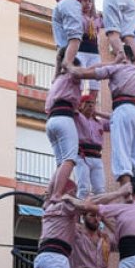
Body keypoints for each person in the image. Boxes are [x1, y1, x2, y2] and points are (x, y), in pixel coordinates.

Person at [72, 45, 135, 191]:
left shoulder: (117, 68)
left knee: (121, 153)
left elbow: (89, 71)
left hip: (123, 108)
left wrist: (112, 63)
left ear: (123, 57)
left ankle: (126, 193)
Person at [45, 49, 83, 201]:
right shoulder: (71, 77)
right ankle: (57, 194)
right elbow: (79, 73)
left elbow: (57, 73)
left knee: (61, 162)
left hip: (51, 120)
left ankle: (49, 194)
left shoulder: (57, 81)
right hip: (64, 117)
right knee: (70, 159)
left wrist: (59, 61)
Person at [74, 95, 108, 197]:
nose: (90, 105)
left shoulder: (99, 122)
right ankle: (80, 212)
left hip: (97, 158)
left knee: (100, 190)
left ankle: (99, 212)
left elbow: (116, 118)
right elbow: (73, 108)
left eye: (93, 103)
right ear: (81, 105)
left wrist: (97, 113)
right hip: (82, 157)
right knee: (83, 188)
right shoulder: (77, 118)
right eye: (87, 102)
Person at [76, 0, 105, 91]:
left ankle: (91, 104)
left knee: (95, 82)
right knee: (79, 80)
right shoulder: (77, 16)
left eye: (90, 1)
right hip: (80, 51)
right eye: (85, 0)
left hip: (94, 53)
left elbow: (110, 23)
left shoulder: (97, 19)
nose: (87, 3)